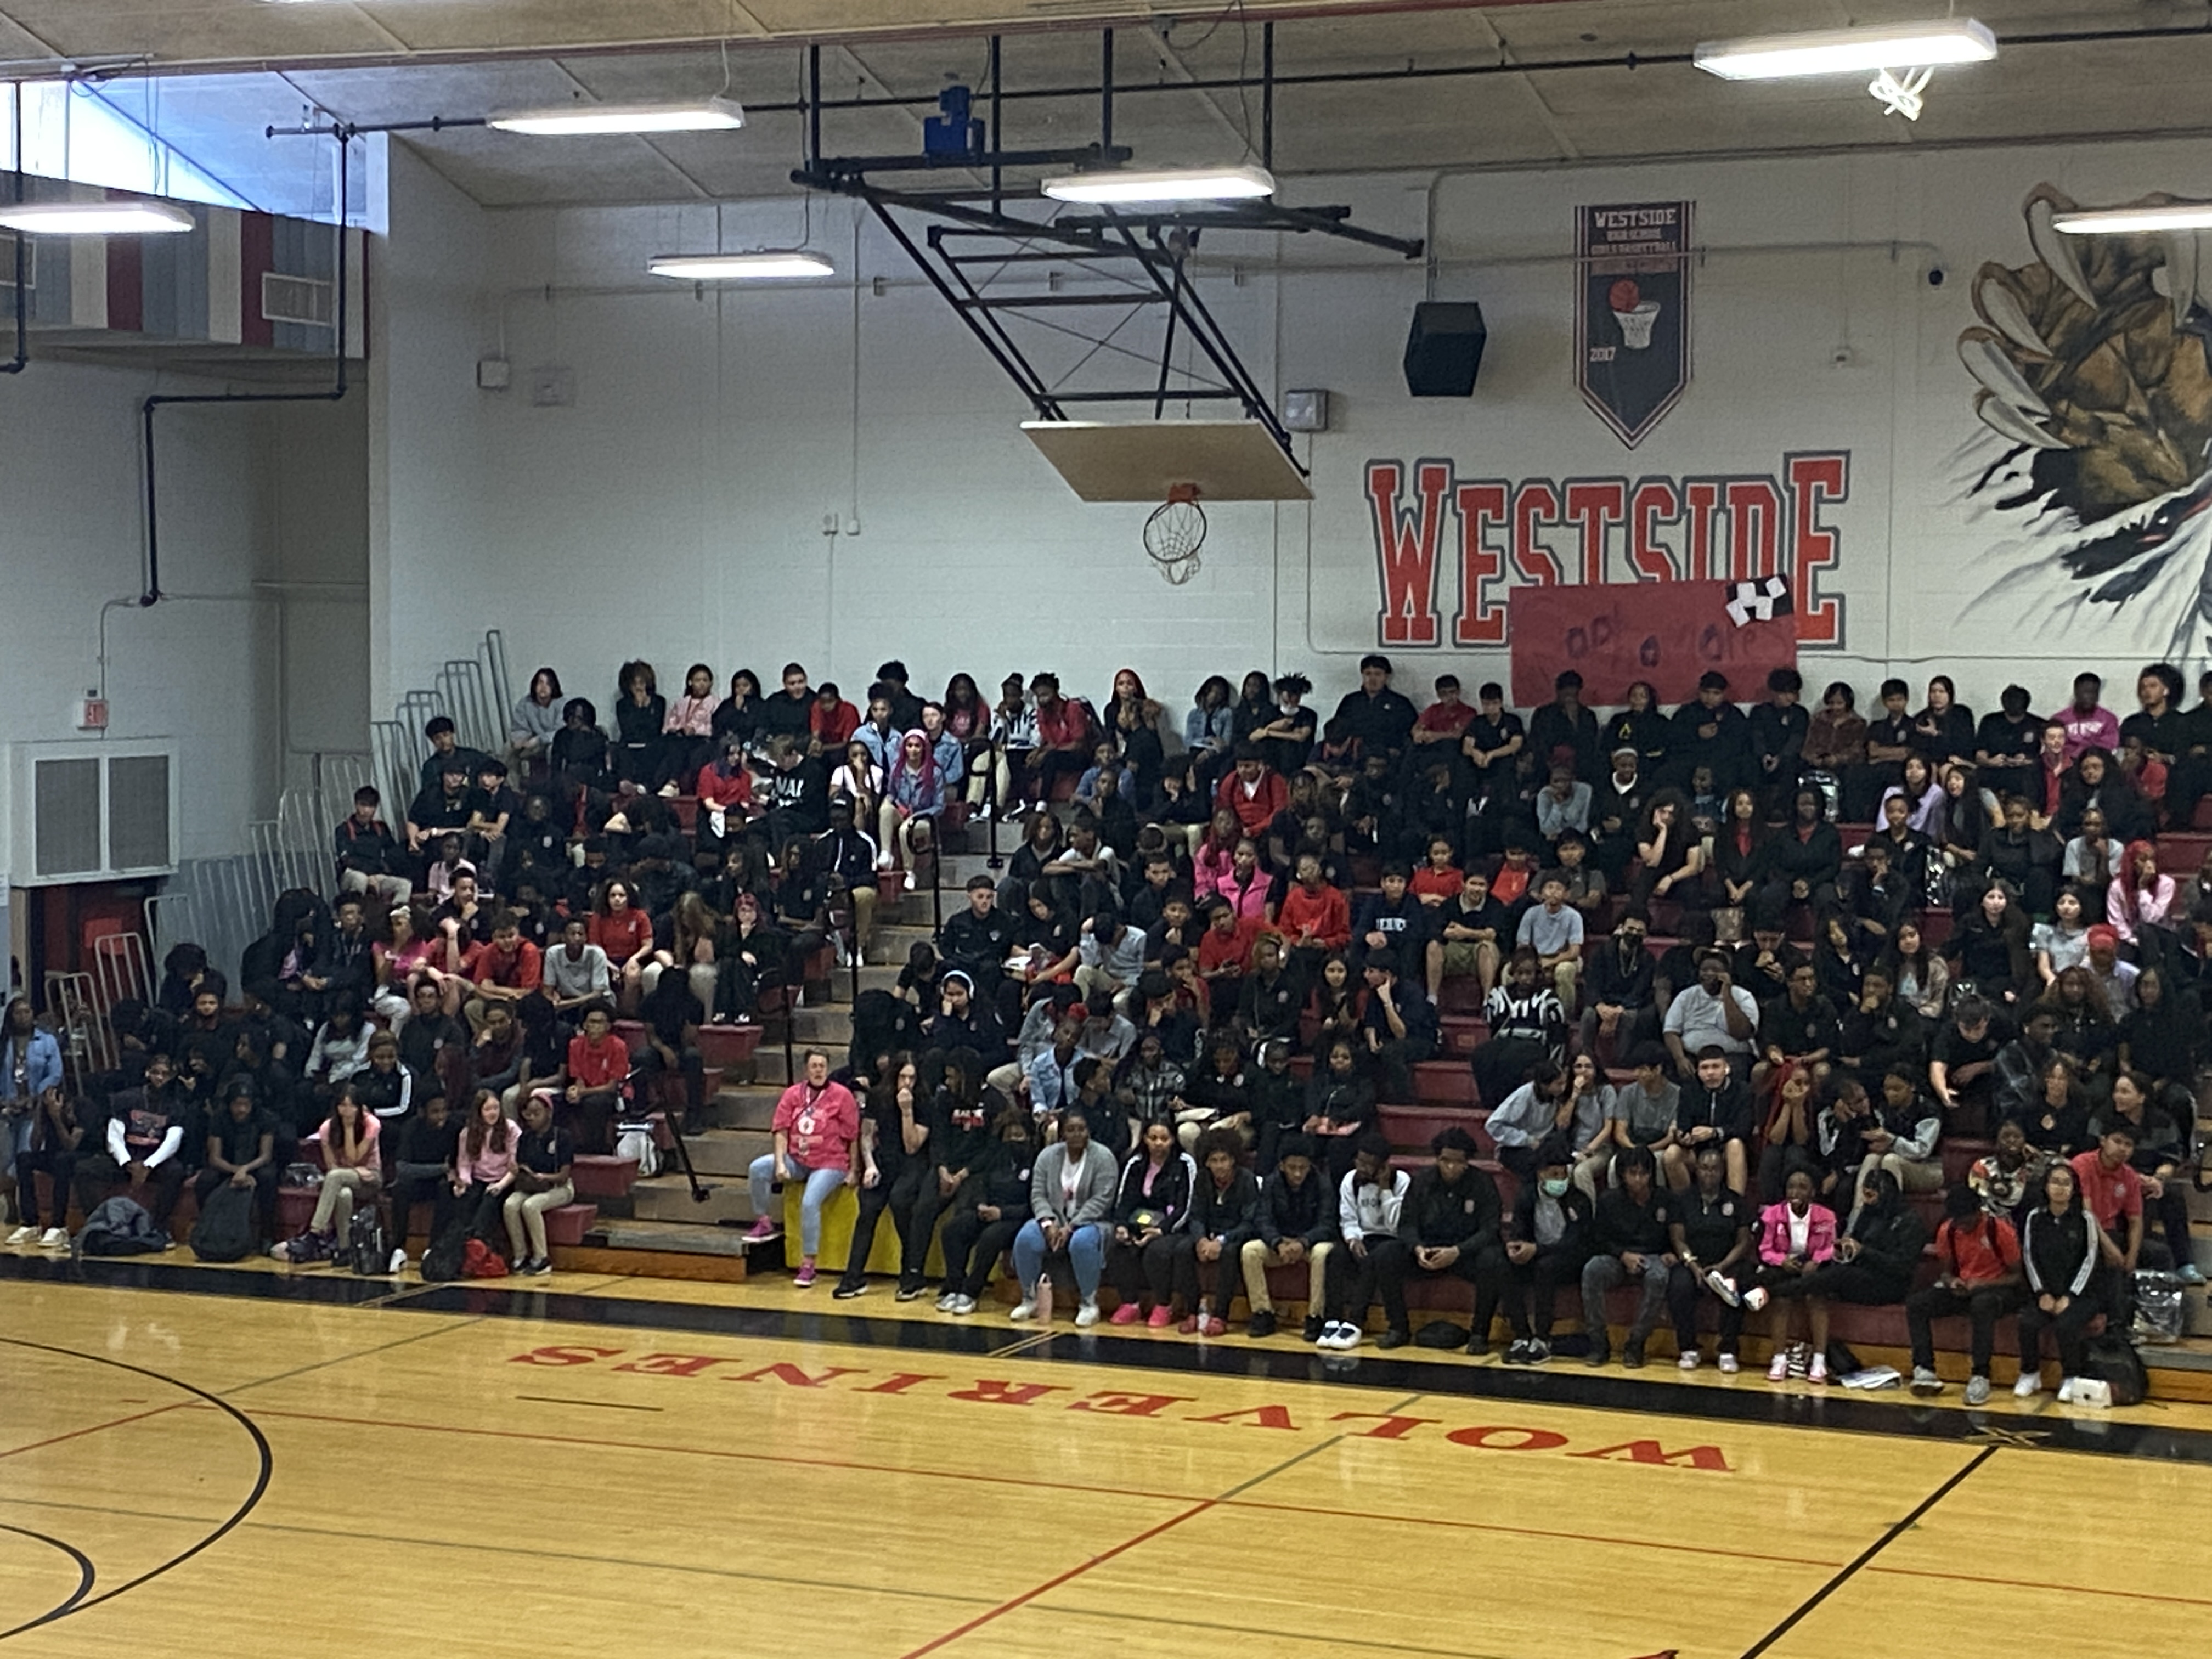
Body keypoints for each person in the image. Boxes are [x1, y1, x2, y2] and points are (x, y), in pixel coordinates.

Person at [1373, 1125, 1506, 1352]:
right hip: (1429, 1252)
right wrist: (1417, 1248)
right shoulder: (1422, 1181)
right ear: (1437, 1159)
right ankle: (1398, 1328)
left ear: (1467, 1162)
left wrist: (1458, 1251)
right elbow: (1406, 1224)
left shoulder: (1482, 1183)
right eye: (1445, 1161)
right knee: (1386, 1253)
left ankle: (1479, 1333)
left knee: (1493, 1259)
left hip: (1465, 1254)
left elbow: (1490, 1229)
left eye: (1457, 1162)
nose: (1451, 1167)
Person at [741, 1050, 860, 1286]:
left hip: (830, 1162)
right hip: (798, 1158)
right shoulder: (793, 1094)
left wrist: (853, 1170)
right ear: (806, 1069)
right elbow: (781, 1130)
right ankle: (764, 1220)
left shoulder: (842, 1096)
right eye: (814, 1066)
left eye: (823, 1066)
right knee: (758, 1169)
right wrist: (781, 1162)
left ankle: (808, 1264)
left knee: (809, 1202)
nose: (818, 1070)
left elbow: (853, 1137)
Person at [1904, 1183, 2024, 1402]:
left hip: (2000, 1290)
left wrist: (1984, 1284)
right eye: (1958, 1221)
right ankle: (1924, 1370)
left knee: (1982, 1305)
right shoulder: (1948, 1230)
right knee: (1917, 1304)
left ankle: (1981, 1375)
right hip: (1966, 1288)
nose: (1962, 1226)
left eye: (1966, 1221)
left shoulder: (1999, 1231)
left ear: (1979, 1212)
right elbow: (1946, 1272)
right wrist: (1953, 1282)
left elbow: (2018, 1276)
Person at [1012, 1107, 1119, 1326]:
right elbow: (1038, 1194)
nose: (1077, 1134)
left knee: (1081, 1242)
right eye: (1071, 1130)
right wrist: (1048, 1223)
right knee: (1026, 1237)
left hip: (1093, 1222)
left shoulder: (1104, 1157)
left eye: (1082, 1129)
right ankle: (1029, 1298)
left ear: (1089, 1131)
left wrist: (1071, 1226)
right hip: (1054, 1220)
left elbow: (1101, 1200)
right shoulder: (1047, 1156)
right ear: (1062, 1133)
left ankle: (1089, 1303)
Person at [2015, 1160, 2106, 1400]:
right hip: (2045, 1292)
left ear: (2074, 1189)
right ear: (2045, 1186)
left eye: (2066, 1183)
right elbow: (2028, 1256)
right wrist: (2042, 1293)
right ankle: (2030, 1373)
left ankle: (2070, 1377)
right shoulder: (2035, 1217)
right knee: (2027, 1322)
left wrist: (2070, 1296)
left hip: (2082, 1294)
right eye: (2055, 1182)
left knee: (2066, 1325)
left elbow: (2090, 1260)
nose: (2060, 1188)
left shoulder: (2085, 1219)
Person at [1739, 1167, 1839, 1383]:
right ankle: (1779, 1359)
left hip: (1813, 1268)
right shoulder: (1772, 1215)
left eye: (1802, 1187)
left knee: (1816, 1297)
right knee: (1782, 1300)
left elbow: (1831, 1247)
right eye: (1791, 1187)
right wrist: (1782, 1261)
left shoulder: (1827, 1216)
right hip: (1784, 1267)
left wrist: (1817, 1261)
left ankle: (1819, 1362)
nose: (1795, 1192)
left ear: (1812, 1192)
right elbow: (1766, 1250)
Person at [1664, 1141, 1756, 1372]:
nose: (1709, 1173)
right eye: (1705, 1168)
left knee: (1738, 1282)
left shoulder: (1735, 1201)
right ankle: (1688, 1348)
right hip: (1693, 1262)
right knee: (1679, 1283)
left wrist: (1723, 1266)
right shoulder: (1683, 1200)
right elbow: (1678, 1239)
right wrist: (1693, 1265)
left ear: (1723, 1171)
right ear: (1696, 1170)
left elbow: (1744, 1241)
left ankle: (1728, 1349)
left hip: (1726, 1262)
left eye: (1714, 1168)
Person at [937, 1107, 1037, 1316]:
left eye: (1019, 1136)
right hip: (988, 1210)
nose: (1014, 1141)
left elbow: (1035, 1203)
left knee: (991, 1237)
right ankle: (954, 1286)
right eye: (1009, 1136)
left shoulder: (1036, 1161)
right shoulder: (996, 1157)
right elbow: (981, 1184)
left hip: (1017, 1217)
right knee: (953, 1230)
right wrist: (981, 1205)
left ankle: (971, 1292)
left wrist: (1003, 1213)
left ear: (1028, 1135)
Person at [1579, 1143, 1672, 1367]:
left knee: (1659, 1276)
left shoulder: (1665, 1199)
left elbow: (1674, 1233)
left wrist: (1670, 1252)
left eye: (1644, 1173)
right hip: (1617, 1257)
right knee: (1593, 1269)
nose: (1639, 1179)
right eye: (1633, 1173)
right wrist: (1622, 1255)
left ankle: (1636, 1343)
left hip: (1652, 1256)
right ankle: (1599, 1343)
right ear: (1622, 1174)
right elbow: (1598, 1239)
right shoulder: (1608, 1200)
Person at [75, 1052, 189, 1232]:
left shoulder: (175, 1105)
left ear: (171, 1077)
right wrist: (127, 1162)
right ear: (147, 1073)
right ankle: (98, 1223)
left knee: (176, 1172)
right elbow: (114, 1134)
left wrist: (149, 1166)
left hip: (155, 1160)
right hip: (126, 1158)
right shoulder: (126, 1098)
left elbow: (173, 1141)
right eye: (156, 1072)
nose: (160, 1078)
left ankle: (158, 1227)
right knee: (83, 1170)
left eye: (165, 1074)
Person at [1239, 1132, 1338, 1340]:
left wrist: (1303, 1243)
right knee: (1250, 1251)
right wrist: (1277, 1242)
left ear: (1310, 1165)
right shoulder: (1271, 1182)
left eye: (1303, 1167)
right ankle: (1263, 1313)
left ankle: (1316, 1316)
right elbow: (1262, 1219)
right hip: (1281, 1243)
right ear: (1282, 1165)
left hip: (1310, 1244)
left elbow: (1327, 1224)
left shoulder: (1323, 1183)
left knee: (1323, 1253)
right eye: (1293, 1168)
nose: (1298, 1174)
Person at [1319, 1131, 1410, 1351]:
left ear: (1383, 1165)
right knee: (1336, 1255)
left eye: (1369, 1164)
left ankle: (1356, 1321)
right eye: (1360, 1161)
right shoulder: (1350, 1180)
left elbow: (1396, 1225)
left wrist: (1385, 1190)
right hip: (1363, 1237)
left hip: (1393, 1241)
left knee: (1377, 1257)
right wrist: (1352, 1240)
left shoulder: (1402, 1181)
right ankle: (1332, 1319)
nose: (1362, 1167)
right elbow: (1348, 1218)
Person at [0, 998, 62, 1232]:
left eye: (27, 1011)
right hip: (7, 1106)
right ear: (11, 1016)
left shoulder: (46, 1042)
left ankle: (26, 1209)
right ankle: (11, 1201)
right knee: (6, 1158)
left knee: (24, 1155)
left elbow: (54, 1073)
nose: (24, 1016)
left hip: (34, 1108)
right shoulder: (4, 1042)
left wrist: (36, 1097)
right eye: (19, 1012)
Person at [303, 1085, 381, 1259]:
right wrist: (353, 1171)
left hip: (370, 1178)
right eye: (343, 1106)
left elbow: (354, 1157)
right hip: (344, 1177)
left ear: (360, 1107)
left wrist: (349, 1129)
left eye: (352, 1106)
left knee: (335, 1177)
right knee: (343, 1194)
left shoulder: (372, 1124)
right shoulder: (327, 1128)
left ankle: (315, 1233)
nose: (347, 1111)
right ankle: (345, 1249)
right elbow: (332, 1165)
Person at [503, 1092, 574, 1276]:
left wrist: (544, 1177)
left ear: (549, 1113)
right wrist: (520, 1170)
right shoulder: (525, 1138)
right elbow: (522, 1166)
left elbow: (564, 1176)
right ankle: (521, 1255)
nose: (532, 1118)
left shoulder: (562, 1136)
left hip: (558, 1187)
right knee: (510, 1205)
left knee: (530, 1206)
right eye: (529, 1114)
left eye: (537, 1113)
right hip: (531, 1185)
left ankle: (542, 1258)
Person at [1666, 1045, 1753, 1196]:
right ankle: (1686, 1205)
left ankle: (1735, 1205)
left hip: (1726, 1149)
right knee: (1672, 1154)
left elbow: (1744, 1127)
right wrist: (1684, 1137)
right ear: (1698, 1071)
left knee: (1735, 1145)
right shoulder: (1688, 1091)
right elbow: (1684, 1124)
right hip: (1697, 1150)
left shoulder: (1742, 1090)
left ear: (1726, 1068)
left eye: (1716, 1067)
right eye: (1705, 1068)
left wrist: (1714, 1133)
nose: (1711, 1073)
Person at [6, 1087, 80, 1248]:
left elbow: (70, 1145)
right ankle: (30, 1223)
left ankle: (59, 1226)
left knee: (62, 1160)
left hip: (81, 1157)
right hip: (54, 1156)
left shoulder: (82, 1107)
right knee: (24, 1158)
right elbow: (35, 1146)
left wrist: (56, 1117)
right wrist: (39, 1117)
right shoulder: (44, 1109)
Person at [449, 1088, 520, 1246]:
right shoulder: (467, 1133)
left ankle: (477, 1241)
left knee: (490, 1201)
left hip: (503, 1180)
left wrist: (500, 1185)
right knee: (467, 1200)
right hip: (479, 1178)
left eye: (496, 1108)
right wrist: (464, 1184)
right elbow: (465, 1163)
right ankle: (462, 1241)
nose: (493, 1113)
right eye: (488, 1109)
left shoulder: (510, 1129)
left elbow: (514, 1165)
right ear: (479, 1112)